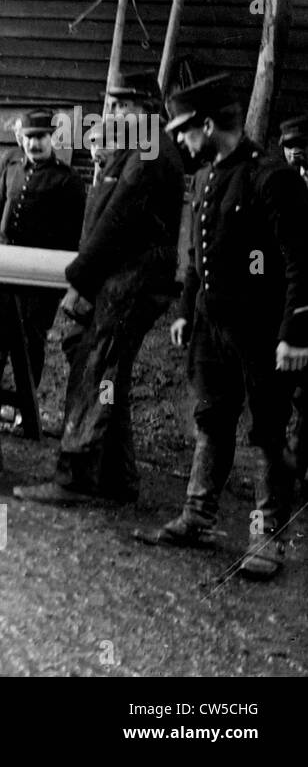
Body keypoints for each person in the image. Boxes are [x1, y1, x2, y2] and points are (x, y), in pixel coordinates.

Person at [134, 75, 308, 580]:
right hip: (213, 331)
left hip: (260, 334)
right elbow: (198, 255)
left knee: (268, 435)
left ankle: (267, 536)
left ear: (209, 125)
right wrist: (187, 309)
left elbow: (301, 263)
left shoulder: (271, 177)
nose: (184, 143)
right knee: (212, 420)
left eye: (187, 132)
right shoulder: (209, 177)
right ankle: (197, 515)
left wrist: (294, 332)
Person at [15, 71, 184, 505]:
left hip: (128, 285)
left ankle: (75, 479)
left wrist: (80, 276)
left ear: (143, 108)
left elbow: (118, 222)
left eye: (119, 105)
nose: (111, 113)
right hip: (120, 282)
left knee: (95, 373)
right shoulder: (135, 148)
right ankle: (117, 479)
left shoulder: (148, 150)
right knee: (107, 376)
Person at [0, 109, 86, 394]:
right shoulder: (11, 165)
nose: (34, 144)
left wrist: (57, 283)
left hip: (39, 276)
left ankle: (25, 406)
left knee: (30, 340)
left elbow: (69, 240)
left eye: (41, 138)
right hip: (4, 268)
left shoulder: (67, 180)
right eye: (29, 138)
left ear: (52, 138)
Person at [277, 113, 308, 497]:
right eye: (290, 146)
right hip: (287, 299)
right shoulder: (277, 187)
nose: (297, 153)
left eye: (303, 147)